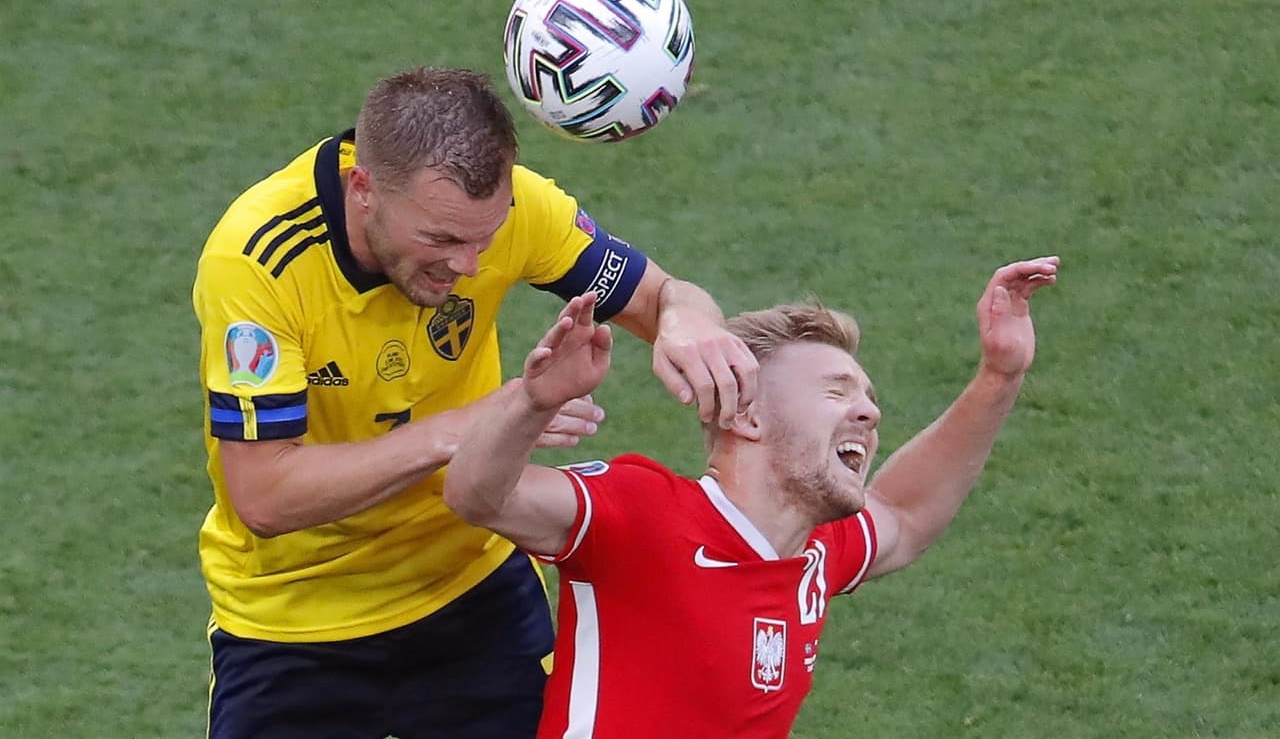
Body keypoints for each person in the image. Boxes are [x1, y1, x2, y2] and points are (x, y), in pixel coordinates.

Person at [192, 66, 758, 738]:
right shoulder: (261, 260)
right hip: (293, 622)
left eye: (483, 240)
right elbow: (264, 497)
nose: (467, 265)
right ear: (363, 188)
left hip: (473, 589)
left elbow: (664, 294)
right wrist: (469, 426)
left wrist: (685, 318)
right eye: (441, 241)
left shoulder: (516, 208)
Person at [444, 256, 1060, 738]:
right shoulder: (642, 512)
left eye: (868, 397)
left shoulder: (815, 552)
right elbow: (478, 497)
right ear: (748, 416)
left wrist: (999, 375)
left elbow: (905, 513)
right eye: (837, 391)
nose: (869, 412)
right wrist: (533, 402)